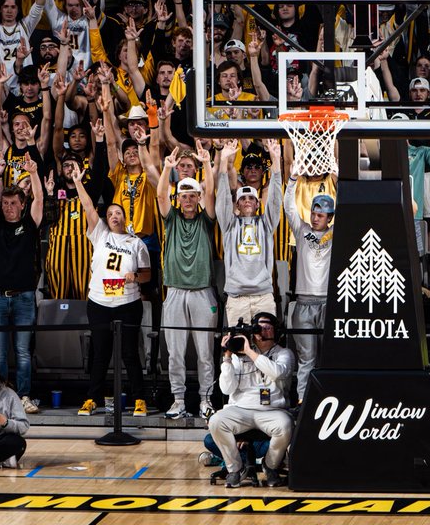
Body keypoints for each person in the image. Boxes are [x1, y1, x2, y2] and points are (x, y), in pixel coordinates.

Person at [73, 165, 151, 418]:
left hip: (128, 302)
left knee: (130, 353)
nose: (114, 215)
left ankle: (140, 398)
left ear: (125, 217)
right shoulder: (100, 234)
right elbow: (86, 206)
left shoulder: (135, 242)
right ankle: (91, 398)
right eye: (110, 212)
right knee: (100, 353)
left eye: (118, 212)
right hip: (99, 302)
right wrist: (77, 182)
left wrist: (135, 277)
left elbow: (148, 275)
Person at [156, 145, 218, 419]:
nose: (189, 199)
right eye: (184, 195)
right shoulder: (171, 220)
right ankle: (178, 400)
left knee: (205, 353)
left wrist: (205, 164)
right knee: (175, 354)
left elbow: (212, 196)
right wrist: (167, 167)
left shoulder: (206, 219)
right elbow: (160, 195)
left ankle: (206, 399)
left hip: (203, 293)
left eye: (193, 195)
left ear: (198, 197)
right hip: (176, 292)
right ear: (178, 198)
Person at [0, 153, 44, 415]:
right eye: (4, 203)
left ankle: (25, 396)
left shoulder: (30, 224)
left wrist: (34, 173)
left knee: (23, 353)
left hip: (24, 297)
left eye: (12, 203)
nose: (7, 207)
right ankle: (1, 399)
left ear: (22, 204)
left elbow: (40, 198)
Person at [208, 311, 296, 489]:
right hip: (240, 409)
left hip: (272, 411)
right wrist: (227, 358)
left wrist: (249, 351)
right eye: (259, 327)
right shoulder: (238, 354)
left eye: (268, 327)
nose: (263, 330)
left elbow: (278, 372)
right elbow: (226, 389)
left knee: (286, 425)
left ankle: (270, 465)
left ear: (275, 331)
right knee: (216, 421)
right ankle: (235, 468)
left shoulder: (284, 354)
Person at [216, 140, 284, 326]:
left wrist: (276, 159)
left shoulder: (266, 223)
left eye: (251, 198)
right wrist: (223, 160)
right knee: (238, 347)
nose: (247, 201)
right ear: (237, 205)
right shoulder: (229, 226)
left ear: (257, 203)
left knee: (265, 347)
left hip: (263, 295)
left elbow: (276, 199)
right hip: (236, 297)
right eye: (243, 198)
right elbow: (221, 197)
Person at [283, 174, 336, 404]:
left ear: (330, 218)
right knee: (306, 359)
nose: (315, 218)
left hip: (328, 302)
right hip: (303, 302)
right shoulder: (302, 231)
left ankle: (327, 400)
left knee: (328, 358)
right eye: (313, 213)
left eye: (320, 215)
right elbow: (289, 208)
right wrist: (293, 180)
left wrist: (337, 178)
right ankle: (303, 402)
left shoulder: (337, 235)